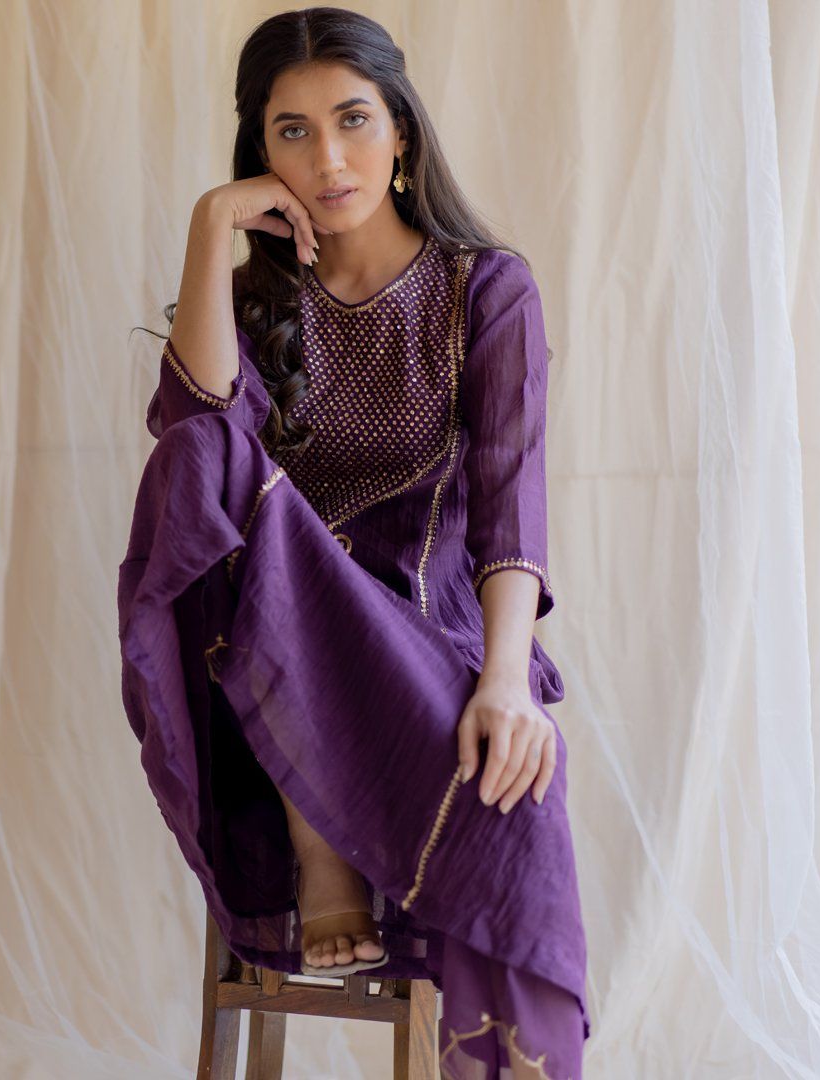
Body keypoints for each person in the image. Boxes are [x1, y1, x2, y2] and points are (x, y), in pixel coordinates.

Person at [117, 8, 590, 1078]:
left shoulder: (485, 290)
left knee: (516, 794)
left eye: (353, 120)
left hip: (428, 641)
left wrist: (505, 684)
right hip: (260, 643)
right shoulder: (251, 301)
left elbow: (511, 504)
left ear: (402, 131)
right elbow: (194, 445)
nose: (328, 159)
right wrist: (210, 224)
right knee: (205, 456)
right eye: (292, 132)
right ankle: (312, 830)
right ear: (260, 152)